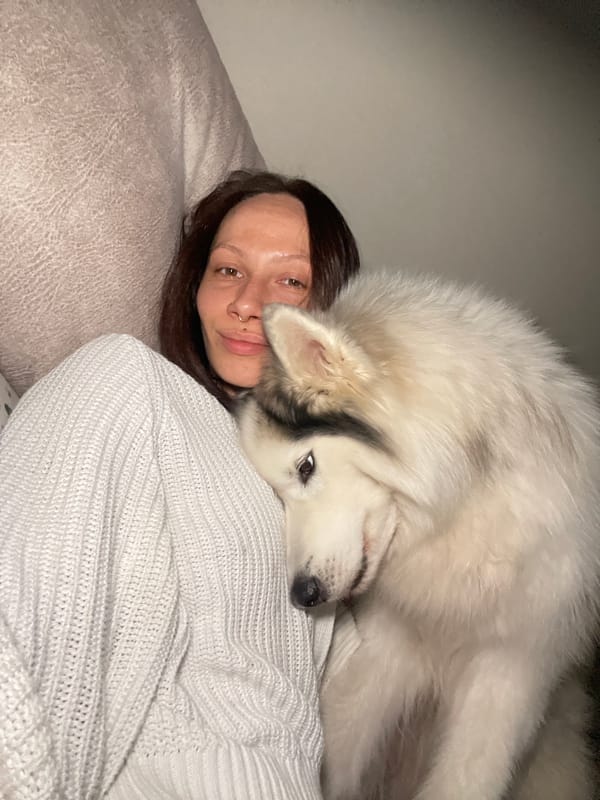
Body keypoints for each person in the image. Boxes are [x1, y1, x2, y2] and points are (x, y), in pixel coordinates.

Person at [0, 170, 360, 800]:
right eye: (228, 270)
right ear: (194, 290)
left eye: (291, 280)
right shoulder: (127, 378)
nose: (248, 302)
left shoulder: (335, 495)